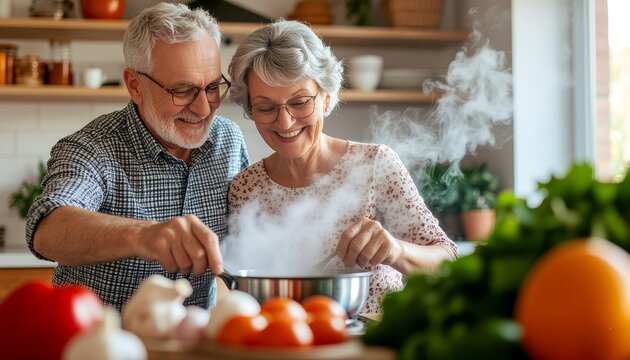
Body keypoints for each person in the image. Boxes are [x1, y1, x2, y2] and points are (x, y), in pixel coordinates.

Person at [25, 3, 249, 312]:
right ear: (135, 85)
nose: (203, 108)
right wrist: (143, 235)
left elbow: (249, 236)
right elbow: (47, 230)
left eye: (212, 87)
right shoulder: (93, 147)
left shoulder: (229, 140)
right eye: (183, 90)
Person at [226, 20, 457, 313]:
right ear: (250, 109)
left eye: (299, 102)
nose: (284, 122)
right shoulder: (245, 187)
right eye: (266, 107)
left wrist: (396, 250)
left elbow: (448, 262)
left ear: (325, 97)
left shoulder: (374, 165)